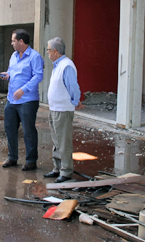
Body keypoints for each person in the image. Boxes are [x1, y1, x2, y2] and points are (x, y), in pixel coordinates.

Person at [0, 29, 44, 171]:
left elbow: (38, 76)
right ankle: (12, 157)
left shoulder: (35, 57)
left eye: (13, 40)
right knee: (10, 129)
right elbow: (12, 71)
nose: (11, 43)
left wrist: (23, 89)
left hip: (27, 100)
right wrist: (8, 75)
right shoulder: (13, 56)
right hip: (11, 100)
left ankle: (31, 160)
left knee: (28, 131)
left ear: (21, 42)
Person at [44, 37, 83, 183]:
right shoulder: (57, 65)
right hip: (55, 108)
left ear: (55, 51)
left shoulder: (66, 65)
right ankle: (57, 168)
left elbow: (73, 86)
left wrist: (75, 101)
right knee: (56, 140)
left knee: (64, 141)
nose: (47, 53)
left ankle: (66, 171)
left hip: (62, 109)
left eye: (48, 50)